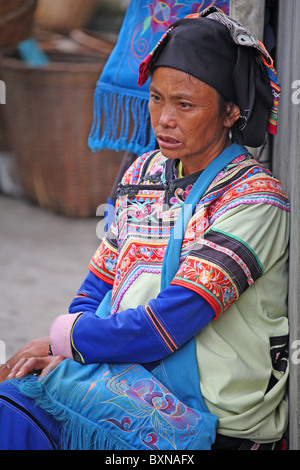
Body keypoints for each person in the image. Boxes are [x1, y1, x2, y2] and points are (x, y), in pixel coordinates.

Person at [0, 7, 289, 451]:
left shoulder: (254, 201)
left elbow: (170, 322)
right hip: (127, 372)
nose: (164, 119)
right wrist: (69, 348)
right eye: (157, 98)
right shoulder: (145, 171)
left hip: (209, 413)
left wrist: (68, 339)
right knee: (12, 399)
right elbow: (100, 281)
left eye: (185, 104)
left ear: (231, 112)